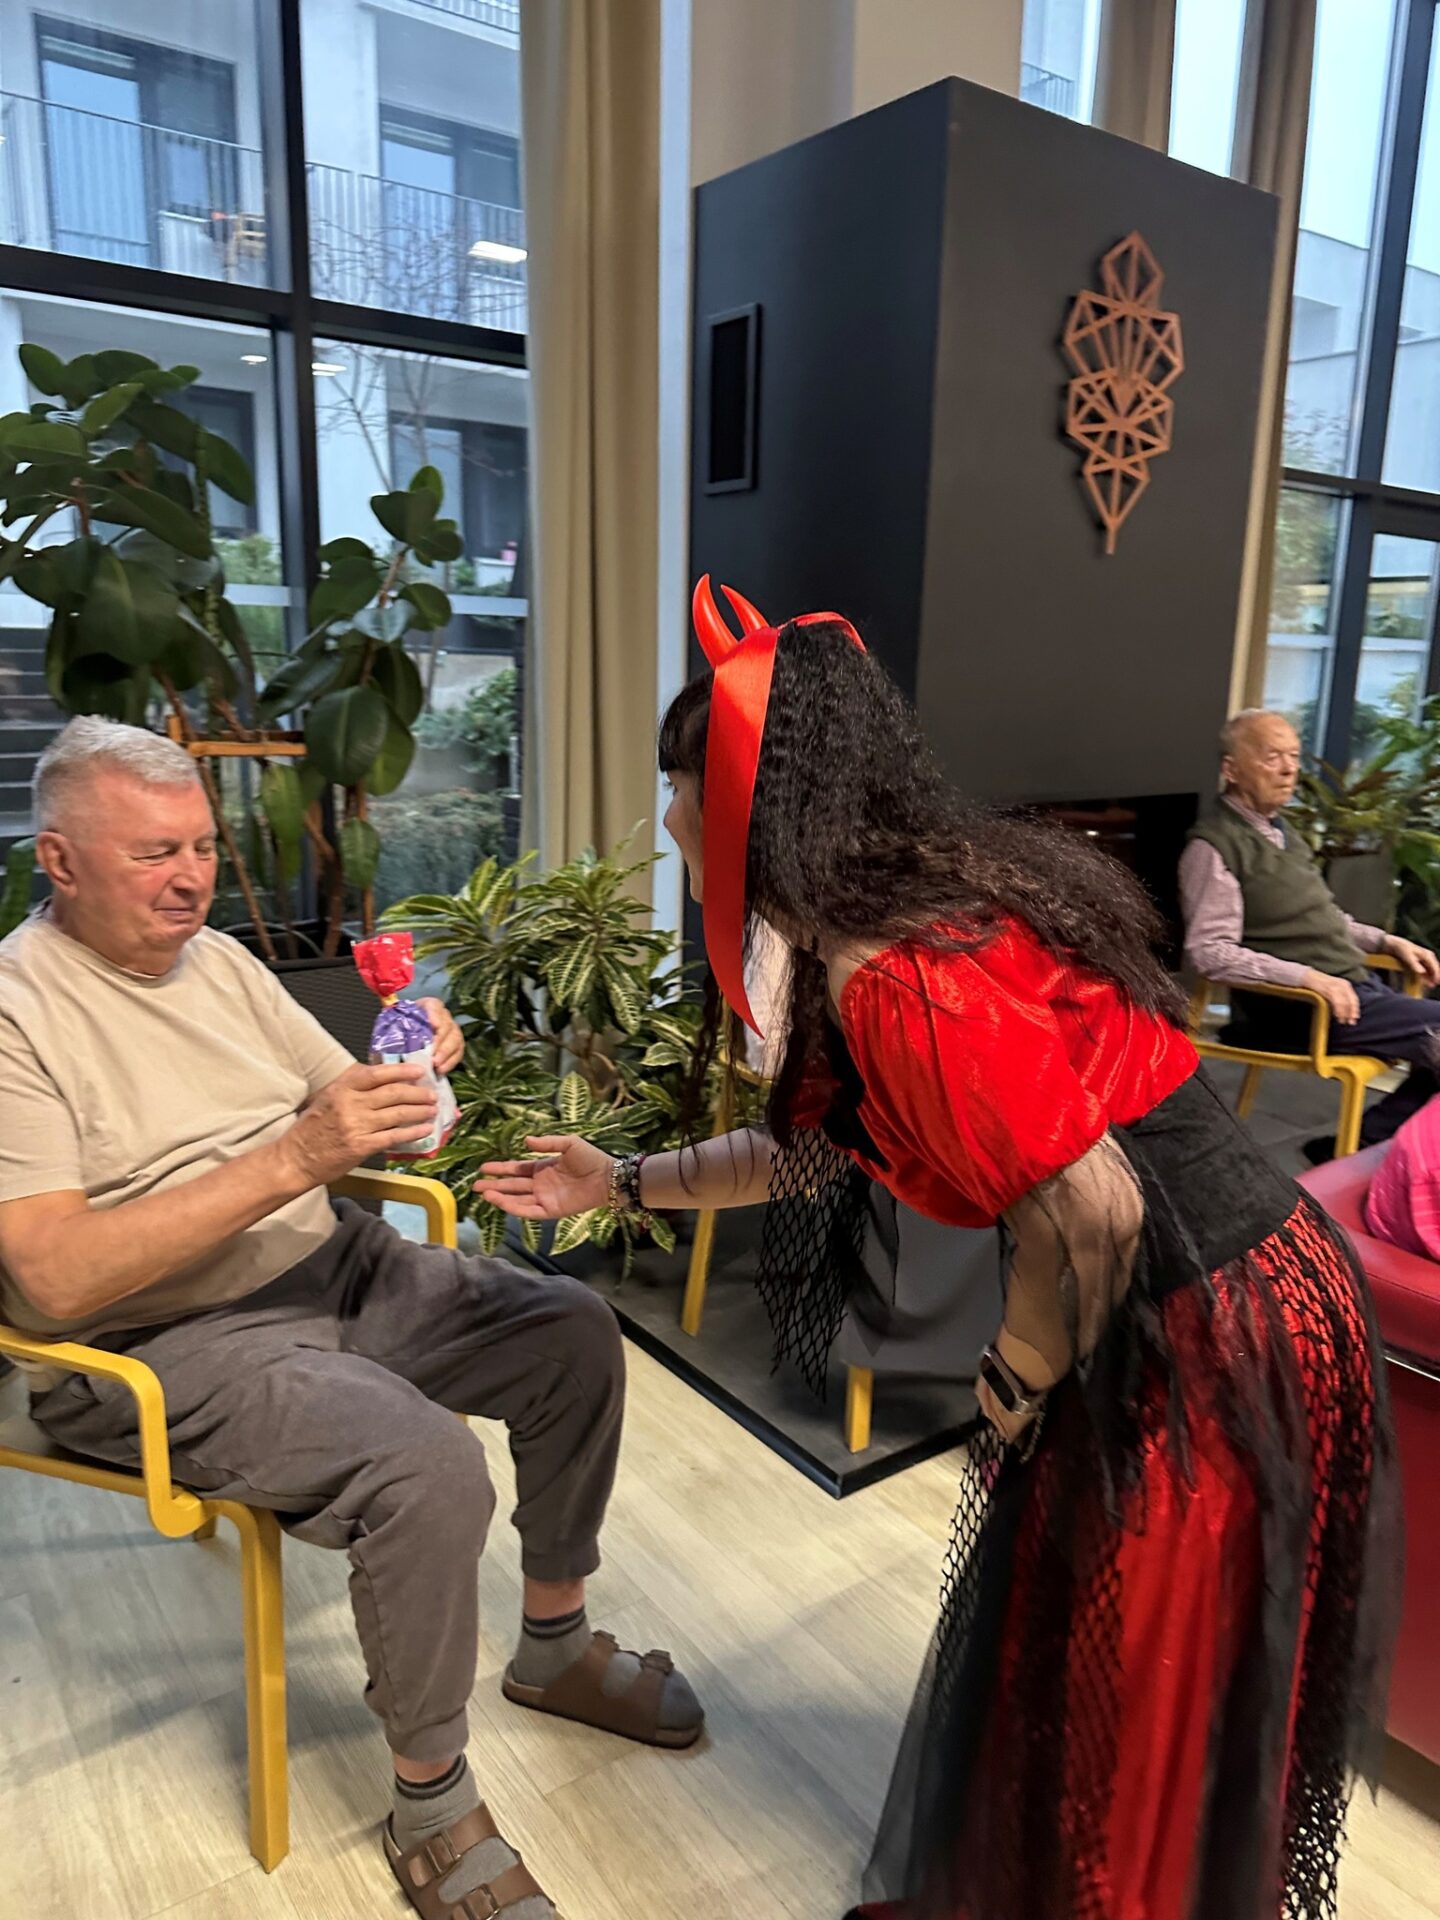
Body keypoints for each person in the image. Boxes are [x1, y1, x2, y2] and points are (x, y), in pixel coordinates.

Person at [480, 581, 1399, 1920]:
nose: (669, 817)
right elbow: (817, 1153)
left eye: (683, 784)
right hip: (1206, 1296)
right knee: (1101, 1669)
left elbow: (1095, 1211)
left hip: (1210, 1319)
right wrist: (616, 1178)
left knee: (1133, 1693)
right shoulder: (898, 918)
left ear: (749, 801)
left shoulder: (894, 971)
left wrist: (1017, 1372)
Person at [0, 718, 701, 1920]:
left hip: (333, 1264)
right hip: (158, 1344)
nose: (192, 879)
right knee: (426, 1466)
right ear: (58, 861)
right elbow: (56, 1280)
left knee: (570, 1331)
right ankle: (430, 1806)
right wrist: (294, 1158)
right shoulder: (18, 1015)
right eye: (154, 854)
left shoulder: (220, 962)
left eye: (203, 848)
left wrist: (417, 1069)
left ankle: (554, 1643)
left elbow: (350, 1109)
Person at [1180, 708, 1440, 1157]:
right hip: (1301, 1009)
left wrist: (1387, 941)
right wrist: (1310, 979)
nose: (1288, 770)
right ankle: (1371, 1147)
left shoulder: (1283, 833)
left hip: (1354, 991)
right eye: (1272, 757)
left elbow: (1324, 919)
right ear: (1231, 769)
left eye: (1294, 756)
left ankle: (1364, 1142)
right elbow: (1210, 952)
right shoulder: (1213, 846)